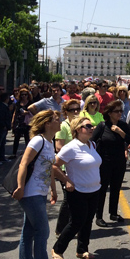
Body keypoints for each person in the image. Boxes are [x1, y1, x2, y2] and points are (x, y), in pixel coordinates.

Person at [11, 110, 61, 259]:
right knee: (42, 232)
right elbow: (24, 163)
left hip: (40, 192)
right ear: (47, 123)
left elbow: (50, 169)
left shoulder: (49, 142)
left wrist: (53, 191)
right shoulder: (37, 140)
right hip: (30, 193)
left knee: (29, 232)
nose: (59, 121)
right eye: (56, 119)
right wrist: (20, 187)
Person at [51, 117, 102, 259]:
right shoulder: (71, 147)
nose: (92, 128)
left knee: (87, 221)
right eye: (87, 126)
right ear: (78, 129)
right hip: (77, 190)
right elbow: (54, 165)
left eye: (92, 125)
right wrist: (66, 180)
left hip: (94, 190)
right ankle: (58, 249)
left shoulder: (91, 144)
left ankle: (82, 249)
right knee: (76, 222)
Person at [92, 100, 130, 226]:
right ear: (109, 113)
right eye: (116, 111)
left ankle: (113, 213)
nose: (119, 113)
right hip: (104, 162)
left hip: (119, 161)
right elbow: (92, 141)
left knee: (116, 188)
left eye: (121, 111)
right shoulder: (102, 126)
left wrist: (120, 132)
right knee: (103, 189)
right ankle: (99, 216)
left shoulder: (123, 125)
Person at [53, 99, 81, 236]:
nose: (76, 112)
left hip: (79, 168)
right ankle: (60, 229)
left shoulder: (81, 124)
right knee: (68, 199)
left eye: (77, 109)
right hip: (66, 167)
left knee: (77, 198)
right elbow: (58, 147)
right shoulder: (64, 126)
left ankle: (73, 225)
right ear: (66, 112)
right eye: (72, 110)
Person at [11, 88, 33, 159]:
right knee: (16, 138)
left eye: (25, 94)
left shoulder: (30, 103)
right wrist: (13, 122)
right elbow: (15, 112)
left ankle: (28, 153)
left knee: (27, 139)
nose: (24, 96)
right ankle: (14, 153)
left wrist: (27, 112)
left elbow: (34, 112)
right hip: (19, 122)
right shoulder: (18, 103)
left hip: (27, 123)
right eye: (22, 94)